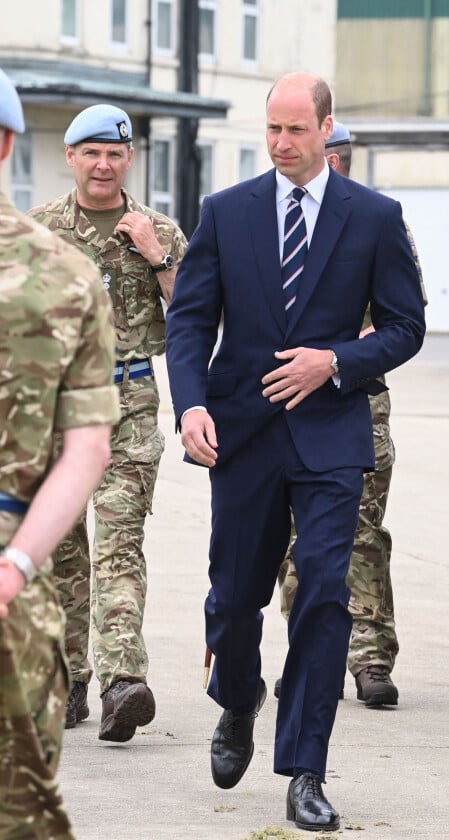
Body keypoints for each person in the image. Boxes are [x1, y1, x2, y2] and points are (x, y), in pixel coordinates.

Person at [165, 72, 426, 831]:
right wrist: (191, 405)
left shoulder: (375, 218)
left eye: (296, 130)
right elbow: (189, 322)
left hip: (331, 438)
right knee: (235, 596)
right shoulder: (226, 212)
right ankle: (238, 697)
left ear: (326, 129)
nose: (281, 144)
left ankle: (305, 768)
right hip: (241, 434)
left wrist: (336, 362)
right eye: (271, 130)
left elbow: (407, 327)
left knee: (320, 595)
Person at [28, 104, 188, 743]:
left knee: (120, 541)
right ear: (71, 157)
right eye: (91, 153)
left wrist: (155, 258)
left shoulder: (159, 230)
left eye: (115, 154)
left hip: (129, 404)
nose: (103, 164)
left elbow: (197, 314)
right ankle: (69, 680)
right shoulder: (36, 231)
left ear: (129, 160)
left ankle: (125, 681)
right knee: (64, 551)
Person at [0, 69, 120, 838]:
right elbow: (85, 448)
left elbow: (87, 447)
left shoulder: (66, 278)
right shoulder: (67, 269)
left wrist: (14, 568)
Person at [276, 121, 428, 708]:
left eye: (334, 157)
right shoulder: (274, 217)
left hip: (358, 401)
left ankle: (369, 657)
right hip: (288, 401)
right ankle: (309, 656)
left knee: (360, 534)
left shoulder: (374, 221)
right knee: (296, 539)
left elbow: (403, 315)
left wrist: (344, 352)